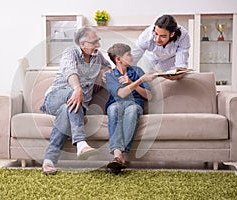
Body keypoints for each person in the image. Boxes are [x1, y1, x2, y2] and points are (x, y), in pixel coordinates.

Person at [40, 26, 111, 175]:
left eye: (98, 41)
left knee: (69, 109)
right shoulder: (70, 53)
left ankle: (49, 160)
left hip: (76, 105)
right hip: (55, 97)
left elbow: (108, 67)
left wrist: (104, 73)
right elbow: (70, 71)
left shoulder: (98, 57)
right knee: (74, 96)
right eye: (94, 42)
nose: (98, 45)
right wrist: (78, 89)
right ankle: (81, 143)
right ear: (83, 44)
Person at [105, 43, 155, 174]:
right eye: (128, 54)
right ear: (118, 59)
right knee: (113, 110)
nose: (132, 56)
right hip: (116, 104)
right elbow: (121, 93)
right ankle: (119, 155)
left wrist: (132, 82)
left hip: (134, 104)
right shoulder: (110, 75)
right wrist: (140, 81)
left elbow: (149, 96)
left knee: (132, 110)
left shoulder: (137, 71)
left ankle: (117, 157)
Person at [132, 14, 191, 80]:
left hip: (170, 63)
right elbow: (133, 57)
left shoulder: (183, 36)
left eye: (163, 36)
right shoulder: (147, 36)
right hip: (150, 60)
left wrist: (177, 74)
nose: (157, 39)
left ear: (172, 34)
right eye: (156, 34)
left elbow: (181, 65)